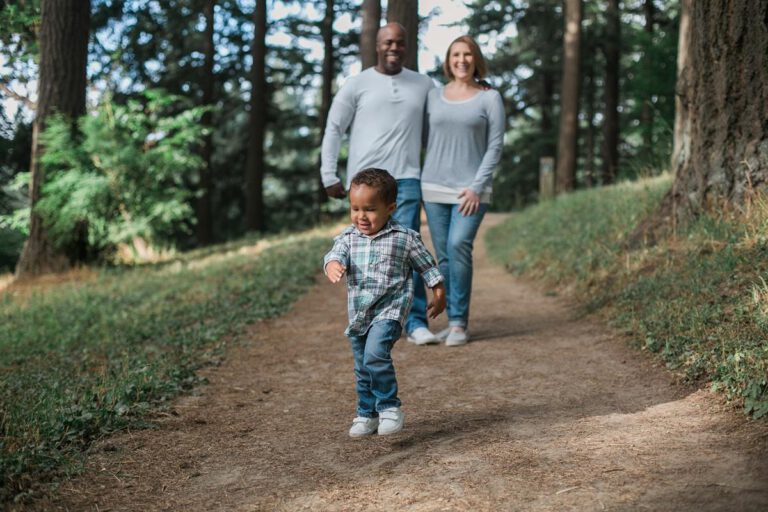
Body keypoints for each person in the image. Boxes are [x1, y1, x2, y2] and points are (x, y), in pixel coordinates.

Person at [320, 22, 440, 345]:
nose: (394, 48)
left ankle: (414, 323)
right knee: (363, 254)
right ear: (377, 45)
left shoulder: (424, 84)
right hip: (364, 183)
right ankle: (372, 318)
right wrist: (328, 174)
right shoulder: (356, 84)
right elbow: (334, 128)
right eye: (387, 42)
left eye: (400, 43)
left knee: (408, 250)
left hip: (407, 179)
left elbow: (441, 125)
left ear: (407, 46)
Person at [324, 169, 446, 437]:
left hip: (390, 311)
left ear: (390, 208)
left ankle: (390, 407)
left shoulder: (404, 238)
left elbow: (428, 267)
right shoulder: (348, 238)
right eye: (355, 209)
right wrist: (333, 264)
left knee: (375, 355)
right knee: (362, 366)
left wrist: (439, 293)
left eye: (369, 209)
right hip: (359, 315)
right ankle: (367, 414)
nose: (361, 216)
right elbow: (334, 254)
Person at [420, 35, 505, 347]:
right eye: (456, 54)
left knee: (458, 245)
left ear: (476, 59)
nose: (462, 60)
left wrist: (475, 187)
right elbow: (427, 137)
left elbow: (495, 146)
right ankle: (452, 318)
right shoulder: (434, 96)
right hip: (433, 186)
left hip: (472, 190)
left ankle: (459, 323)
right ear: (448, 60)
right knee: (443, 256)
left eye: (468, 54)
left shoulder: (489, 98)